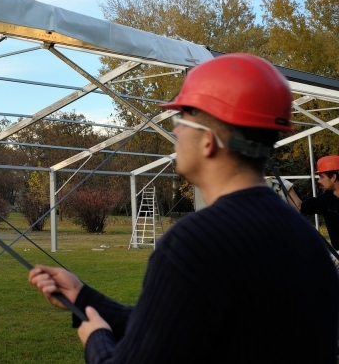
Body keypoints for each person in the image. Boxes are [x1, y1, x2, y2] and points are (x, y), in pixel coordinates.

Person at [28, 53, 339, 363]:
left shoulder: (193, 244)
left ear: (208, 141)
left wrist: (95, 338)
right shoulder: (308, 240)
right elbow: (174, 325)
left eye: (181, 119)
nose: (175, 132)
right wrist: (84, 299)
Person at [300, 155, 339, 249]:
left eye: (321, 176)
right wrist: (288, 187)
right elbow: (300, 207)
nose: (319, 181)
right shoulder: (326, 199)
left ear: (333, 177)